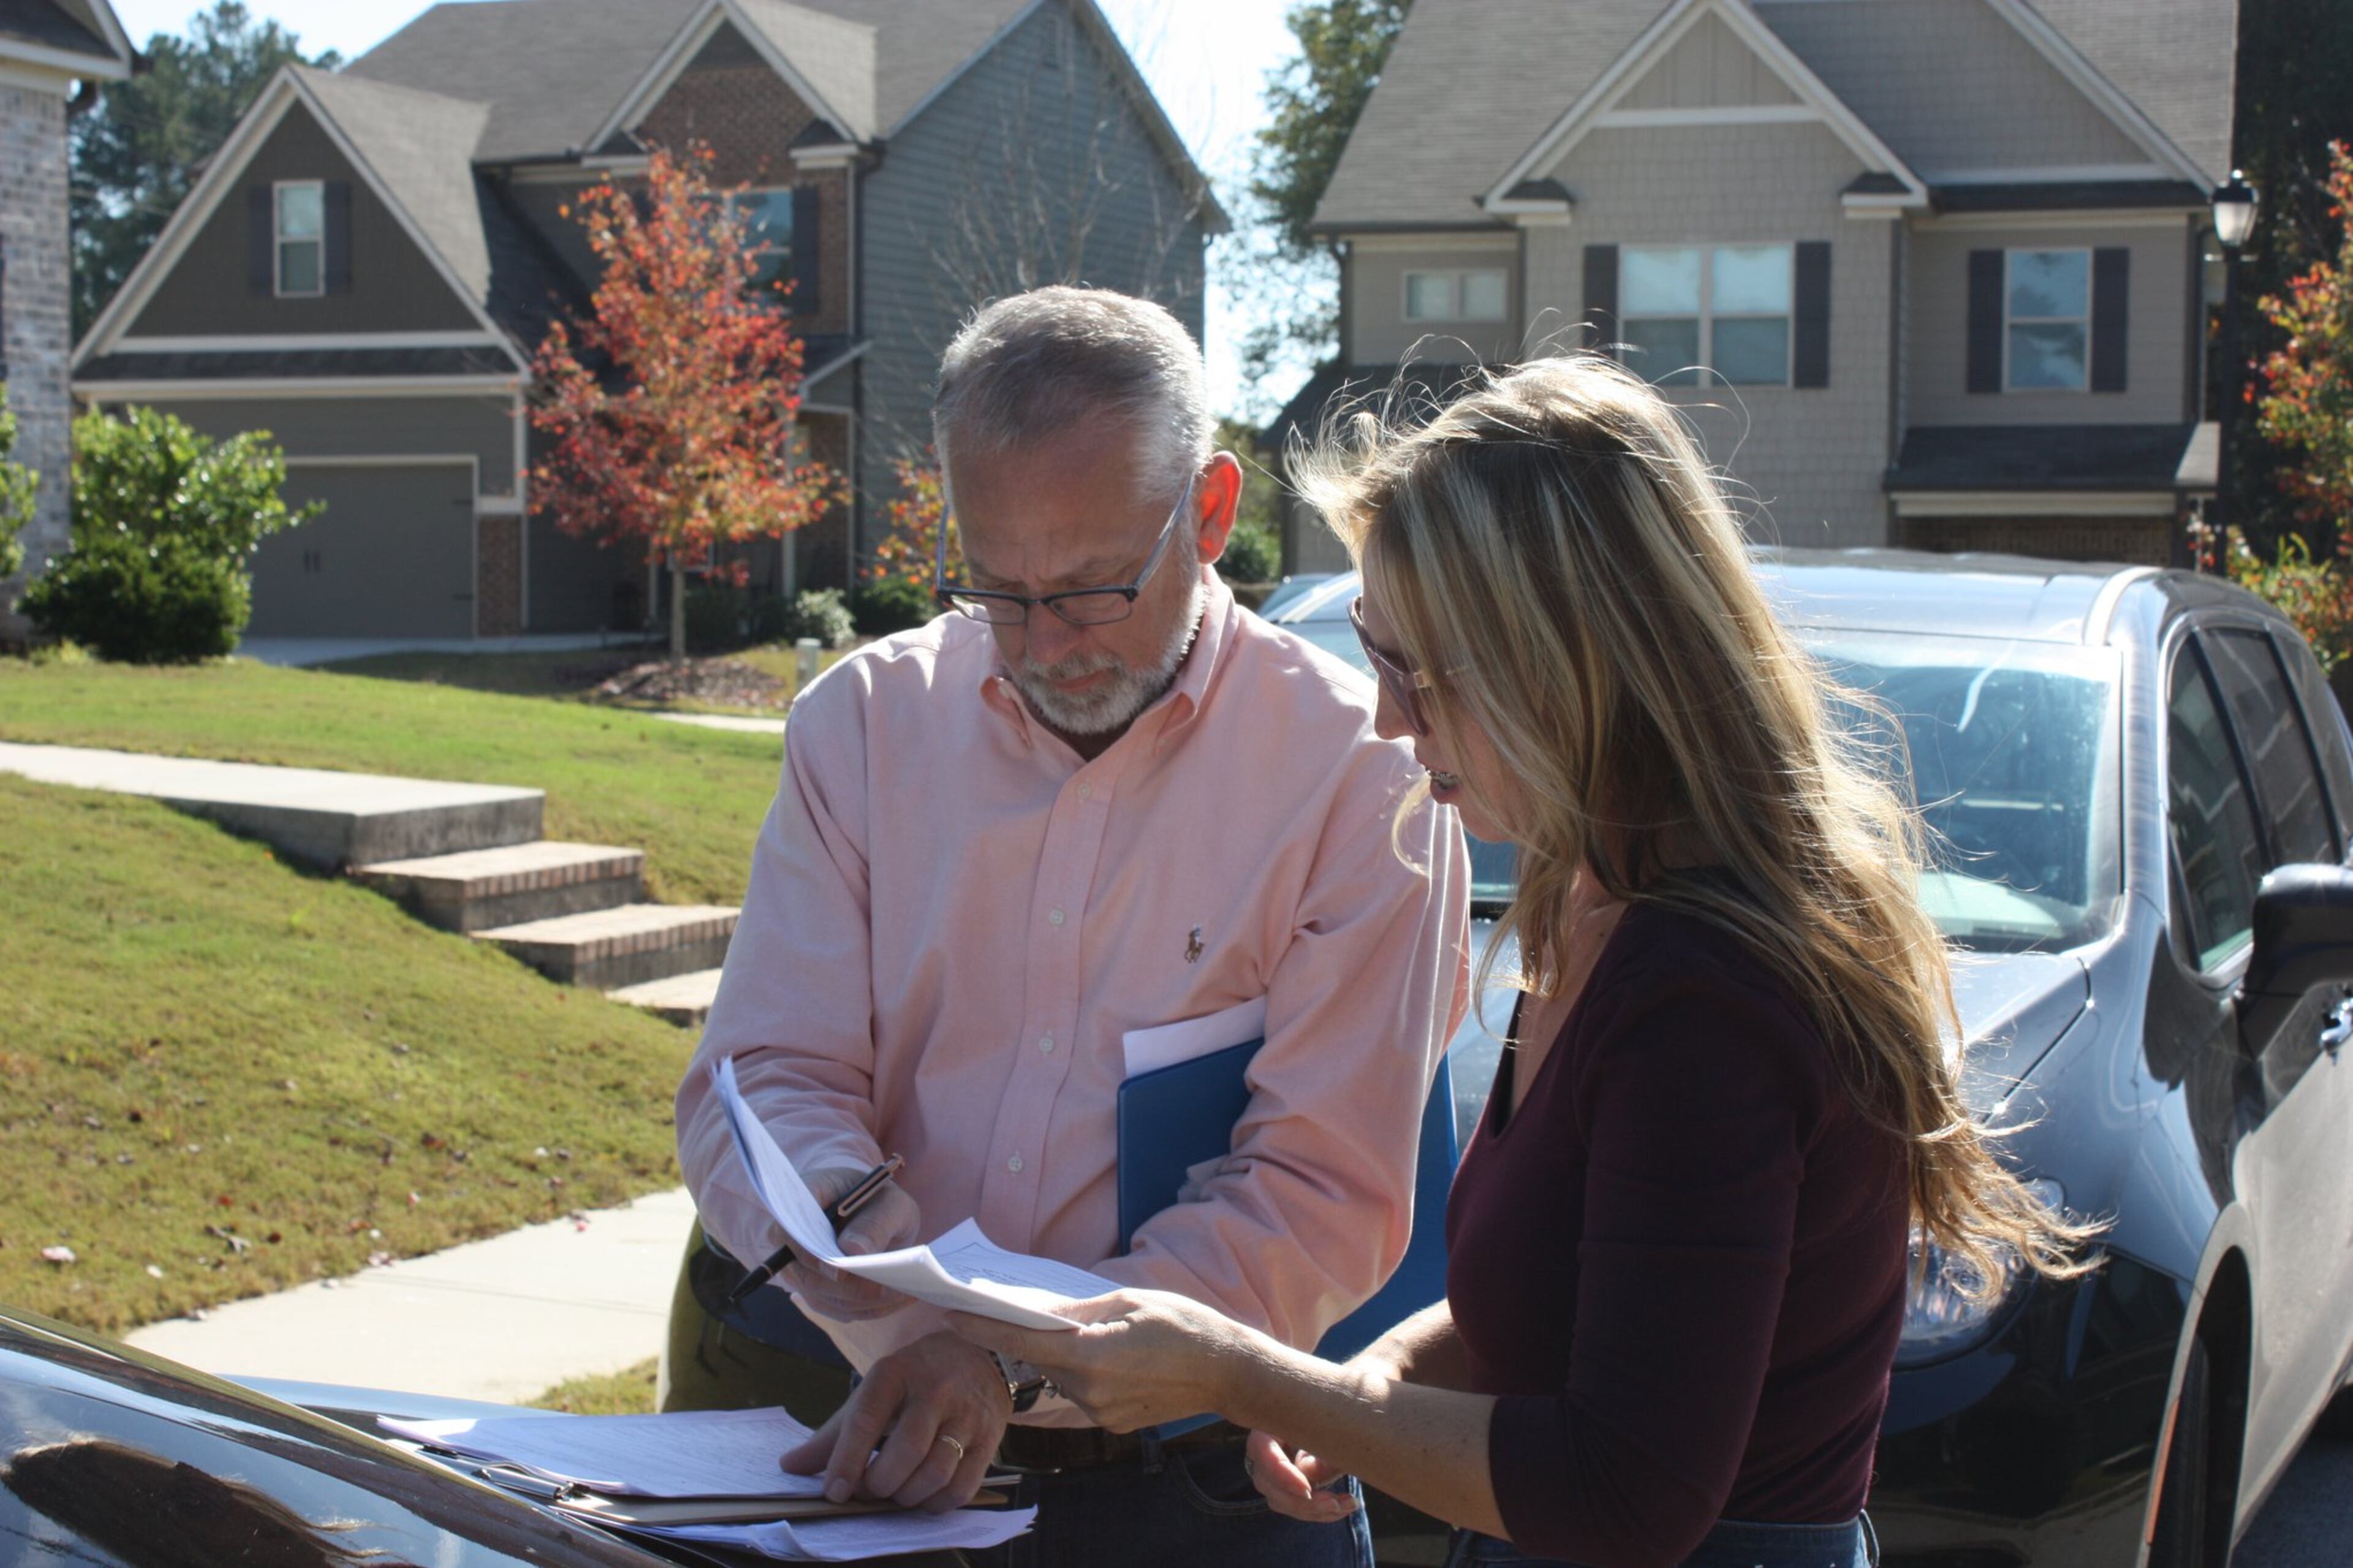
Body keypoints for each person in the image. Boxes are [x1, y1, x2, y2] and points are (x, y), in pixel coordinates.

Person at [947, 355, 2097, 1568]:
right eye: (1370, 647)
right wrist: (1386, 1369)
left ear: (1563, 660)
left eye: (1418, 669)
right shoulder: (1588, 899)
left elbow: (1622, 1493)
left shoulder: (1707, 998)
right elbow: (1593, 1299)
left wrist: (1247, 1373)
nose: (1388, 717)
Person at [673, 285, 1470, 1568]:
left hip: (1200, 1489)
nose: (1047, 642)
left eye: (1095, 588)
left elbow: (1324, 1187)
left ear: (1210, 513)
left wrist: (1001, 1352)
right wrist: (902, 1292)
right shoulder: (865, 727)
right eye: (999, 586)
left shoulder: (1358, 772)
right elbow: (760, 1079)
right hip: (869, 1434)